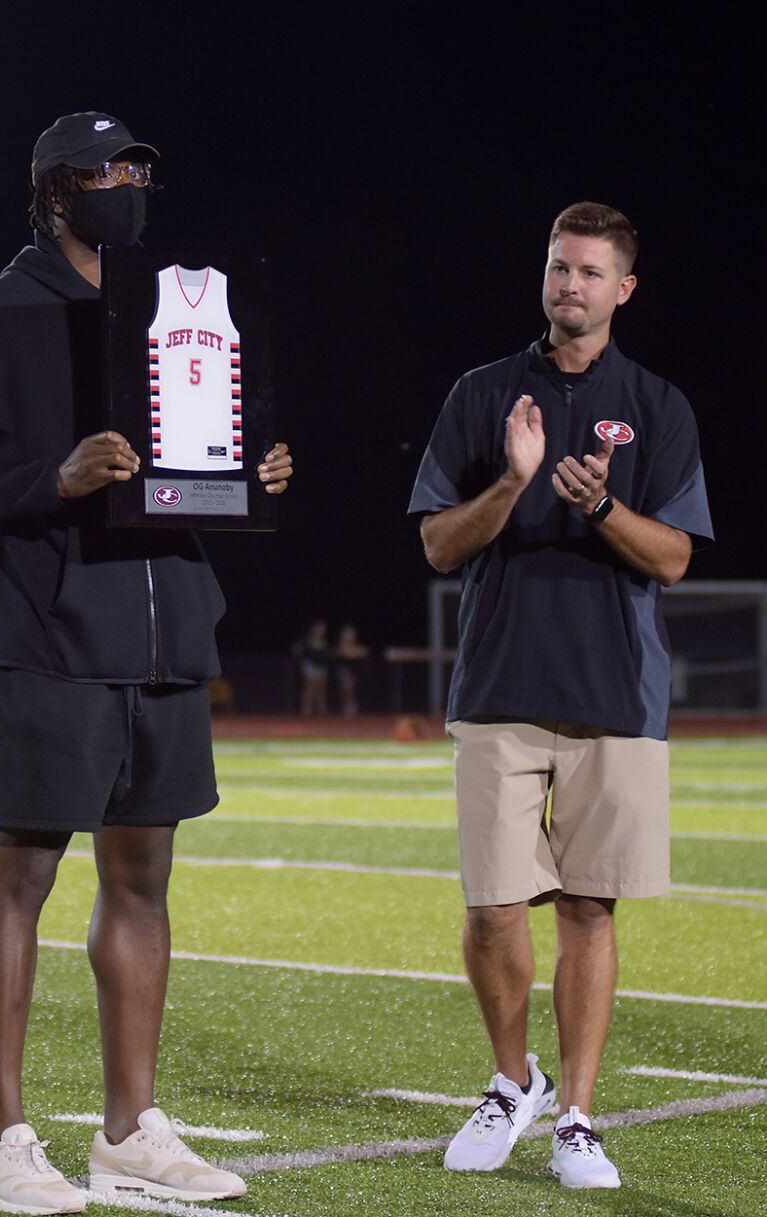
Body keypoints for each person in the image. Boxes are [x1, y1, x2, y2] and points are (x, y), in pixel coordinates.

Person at [0, 112, 292, 1212]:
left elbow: (186, 458)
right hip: (50, 632)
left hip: (165, 633)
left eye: (140, 170)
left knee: (143, 880)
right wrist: (52, 477)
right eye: (112, 169)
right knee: (21, 875)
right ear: (54, 189)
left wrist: (251, 469)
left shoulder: (174, 306)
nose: (131, 184)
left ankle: (128, 1131)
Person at [410, 202, 712, 1190]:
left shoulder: (657, 404)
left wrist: (595, 504)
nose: (567, 285)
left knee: (588, 904)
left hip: (614, 690)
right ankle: (511, 1081)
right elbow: (436, 544)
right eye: (555, 266)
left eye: (587, 272)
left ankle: (575, 1114)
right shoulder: (481, 391)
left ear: (622, 288)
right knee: (493, 903)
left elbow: (670, 557)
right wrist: (513, 481)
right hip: (499, 683)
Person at [293, 618, 330, 715]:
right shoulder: (306, 639)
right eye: (318, 627)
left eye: (323, 627)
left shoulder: (324, 641)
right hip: (310, 666)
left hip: (321, 667)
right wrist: (301, 658)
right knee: (309, 688)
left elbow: (326, 654)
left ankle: (321, 710)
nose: (321, 629)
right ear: (313, 628)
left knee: (321, 689)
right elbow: (297, 649)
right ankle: (306, 709)